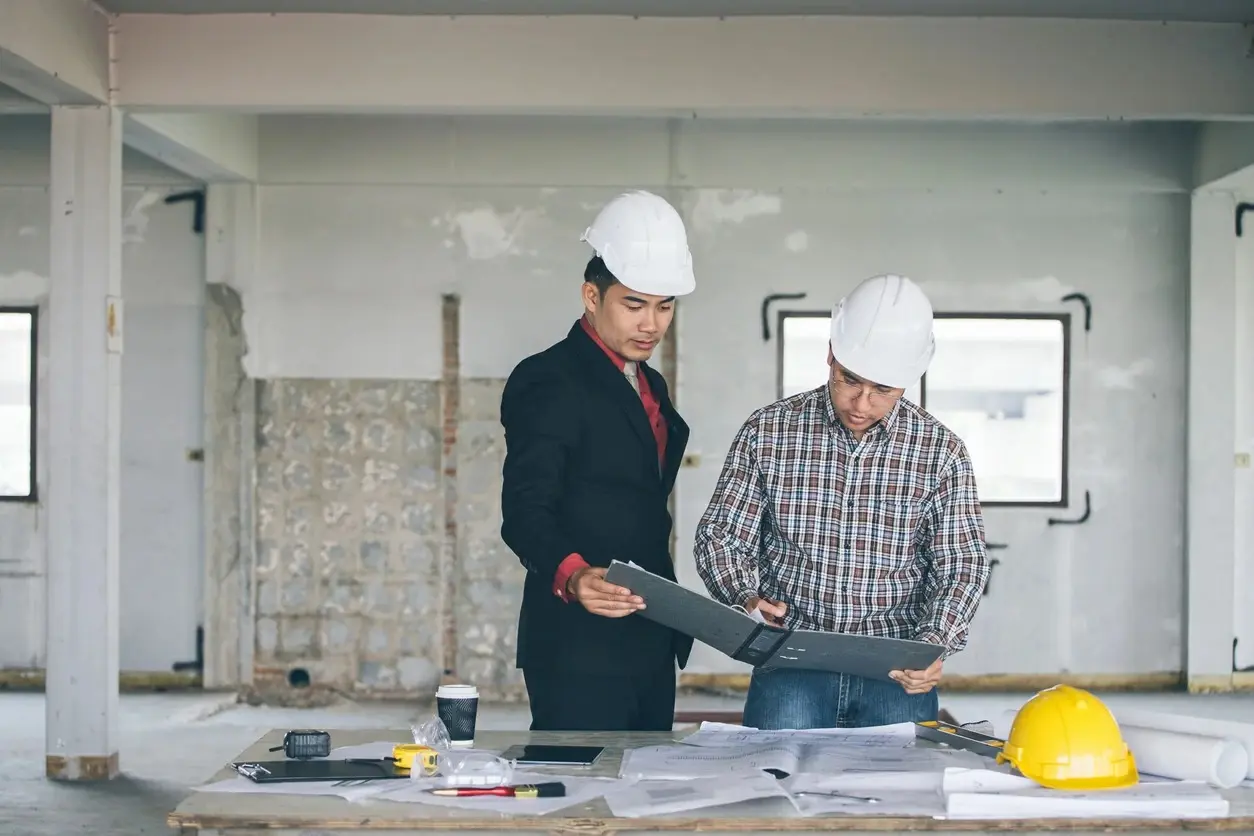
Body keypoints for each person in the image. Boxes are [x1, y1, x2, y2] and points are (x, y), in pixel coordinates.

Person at [692, 273, 989, 730]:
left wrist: (934, 644)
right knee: (774, 790)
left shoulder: (941, 452)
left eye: (883, 391)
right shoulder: (769, 432)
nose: (862, 404)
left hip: (896, 667)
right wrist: (745, 595)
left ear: (909, 381)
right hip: (790, 659)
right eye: (850, 380)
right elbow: (721, 536)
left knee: (897, 800)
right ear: (831, 353)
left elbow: (961, 563)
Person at [499, 190, 696, 732]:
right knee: (578, 800)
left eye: (665, 306)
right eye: (634, 305)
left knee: (647, 799)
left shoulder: (648, 381)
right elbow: (524, 511)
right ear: (592, 295)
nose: (652, 324)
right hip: (578, 645)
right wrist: (572, 575)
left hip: (649, 632)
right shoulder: (547, 379)